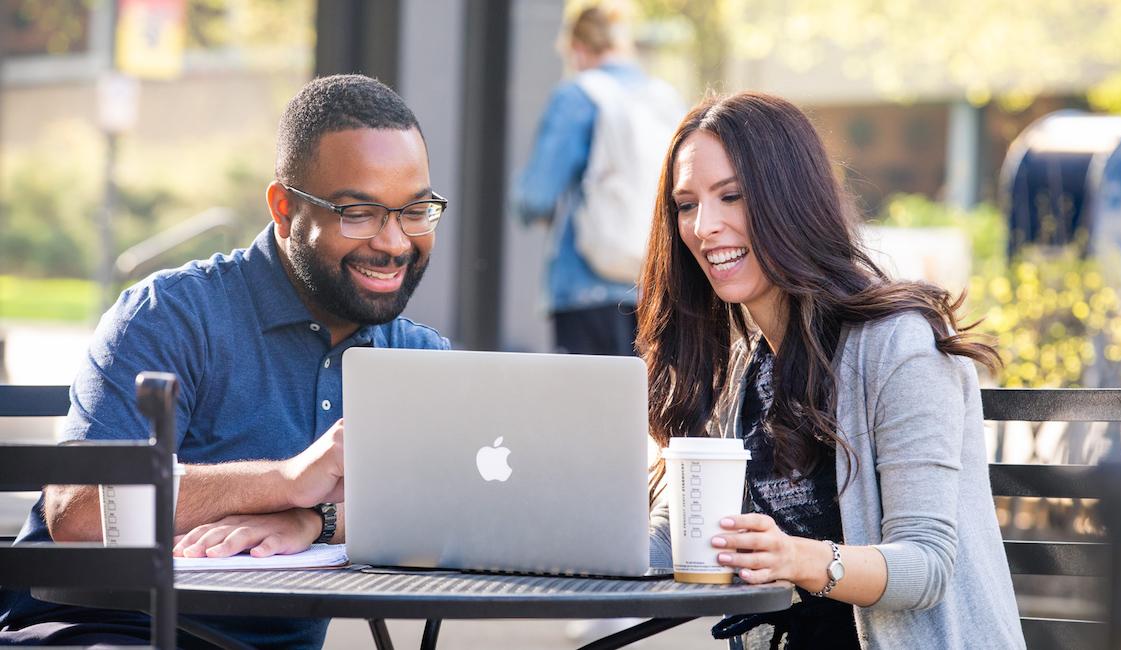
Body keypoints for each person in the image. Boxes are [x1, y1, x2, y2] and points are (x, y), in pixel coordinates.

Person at [0, 74, 450, 648]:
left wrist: (313, 521)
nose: (393, 242)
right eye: (358, 212)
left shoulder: (421, 360)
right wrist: (287, 480)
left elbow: (457, 513)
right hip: (106, 632)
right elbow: (81, 512)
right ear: (285, 209)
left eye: (415, 210)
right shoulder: (170, 314)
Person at [639, 92, 1025, 649]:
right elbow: (669, 542)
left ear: (789, 199)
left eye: (732, 196)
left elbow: (926, 566)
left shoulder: (900, 346)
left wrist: (797, 557)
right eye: (686, 204)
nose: (704, 226)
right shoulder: (743, 364)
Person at [512, 4, 684, 356]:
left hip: (585, 287)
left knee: (586, 404)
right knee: (644, 404)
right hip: (654, 286)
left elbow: (536, 196)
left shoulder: (578, 96)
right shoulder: (665, 98)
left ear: (576, 49)